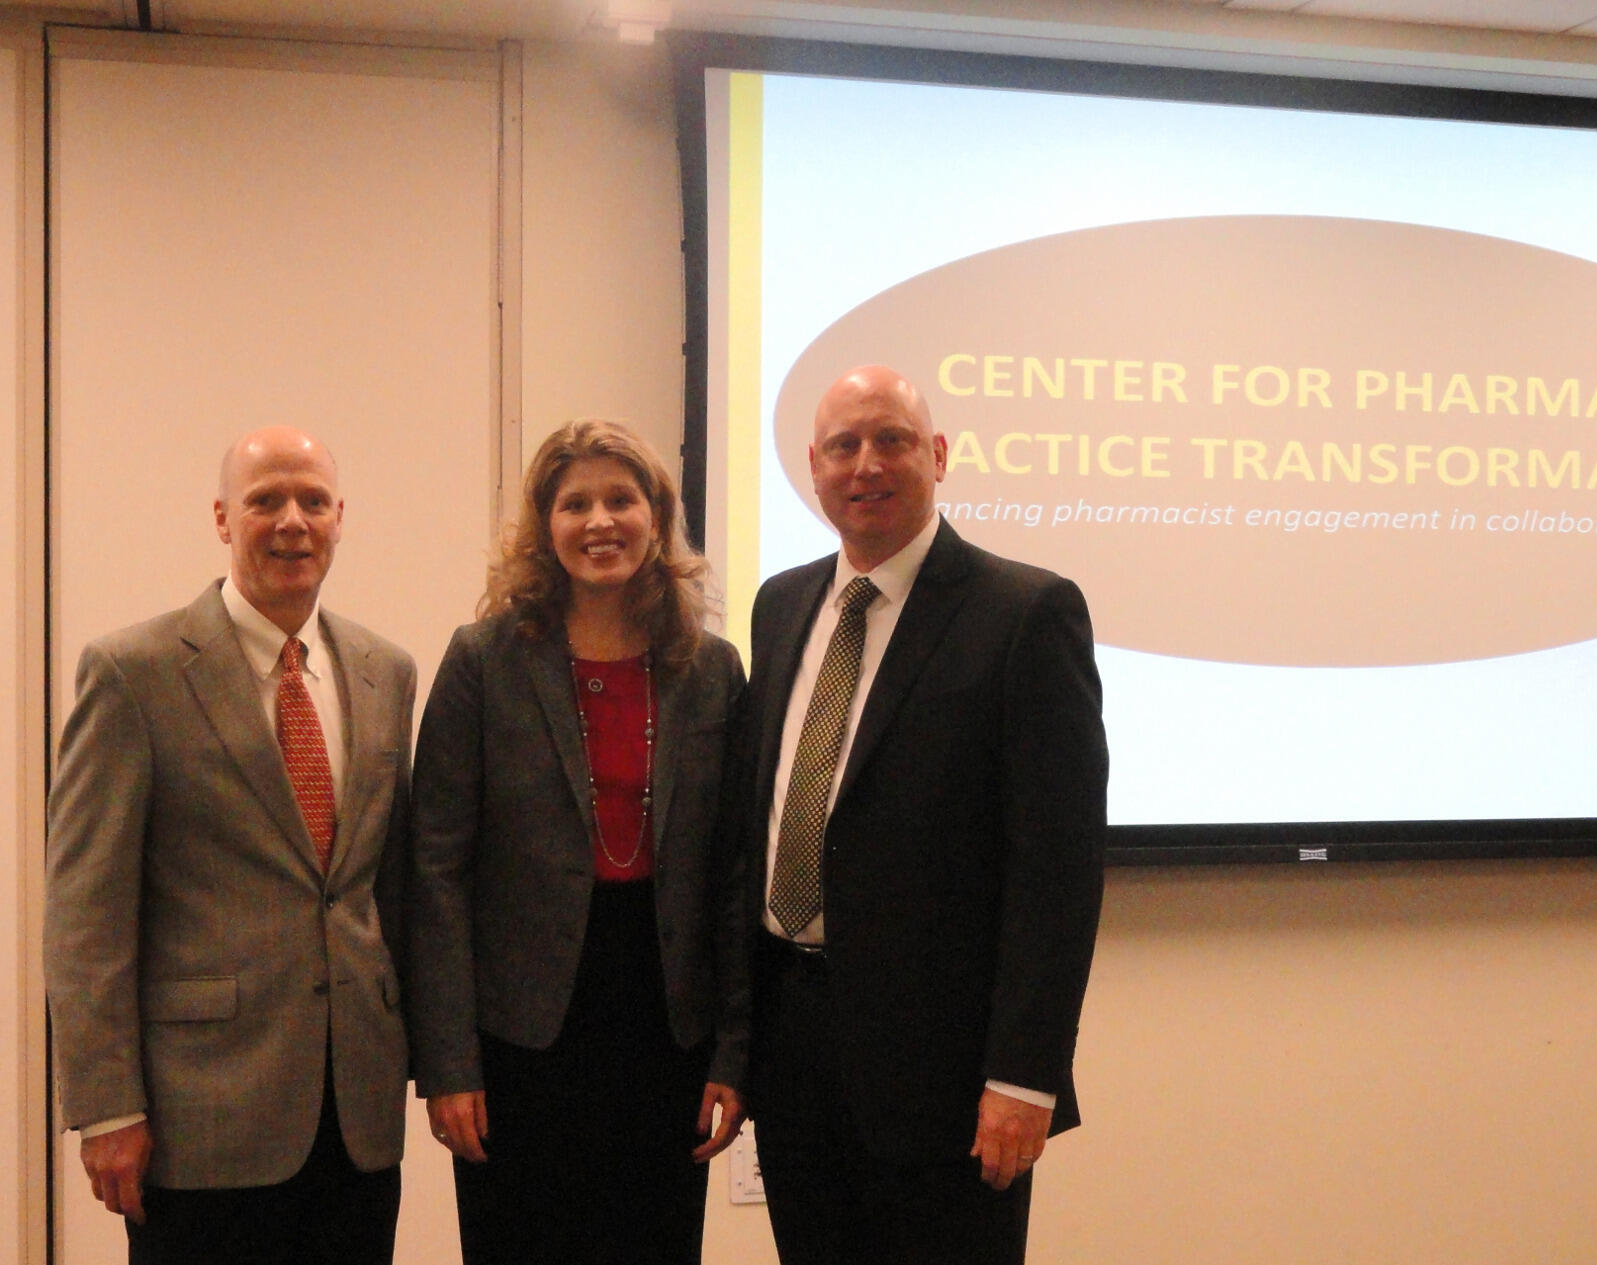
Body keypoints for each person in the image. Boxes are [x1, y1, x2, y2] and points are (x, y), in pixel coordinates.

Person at [736, 364, 1108, 1264]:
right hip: (793, 1054)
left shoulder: (1025, 613)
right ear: (814, 468)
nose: (866, 463)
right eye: (843, 445)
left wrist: (1025, 1075)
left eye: (891, 439)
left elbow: (1057, 872)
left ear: (937, 455)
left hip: (948, 1080)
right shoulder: (781, 605)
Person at [43, 427, 417, 1264]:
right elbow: (85, 912)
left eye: (312, 501)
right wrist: (107, 1107)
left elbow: (385, 886)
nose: (292, 521)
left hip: (356, 1116)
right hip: (200, 1115)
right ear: (222, 517)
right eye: (265, 500)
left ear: (340, 517)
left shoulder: (385, 670)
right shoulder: (132, 671)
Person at [407, 419, 748, 1265]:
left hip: (666, 1028)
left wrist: (735, 1051)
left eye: (621, 499)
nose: (601, 521)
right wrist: (448, 1063)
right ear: (544, 524)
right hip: (518, 1038)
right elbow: (436, 870)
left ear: (656, 516)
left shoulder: (711, 668)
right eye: (575, 503)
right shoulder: (483, 660)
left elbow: (735, 874)